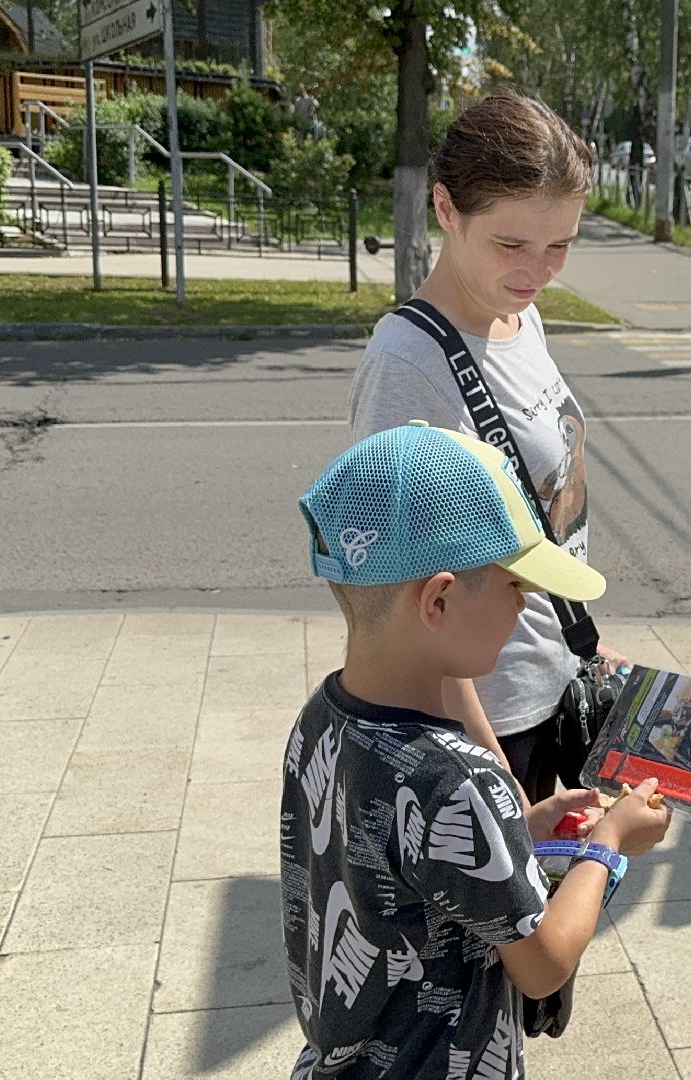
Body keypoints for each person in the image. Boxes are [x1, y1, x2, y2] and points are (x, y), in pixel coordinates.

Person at [282, 422, 671, 1079]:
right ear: (438, 600)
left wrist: (517, 829)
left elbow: (402, 865)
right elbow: (544, 963)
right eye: (515, 584)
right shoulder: (459, 779)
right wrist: (608, 846)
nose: (525, 606)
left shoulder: (319, 718)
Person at [347, 94, 626, 804]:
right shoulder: (407, 366)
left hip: (550, 683)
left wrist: (580, 646)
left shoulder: (518, 317)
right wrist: (497, 782)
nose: (538, 270)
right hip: (487, 724)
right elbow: (402, 598)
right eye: (511, 244)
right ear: (446, 208)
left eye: (559, 245)